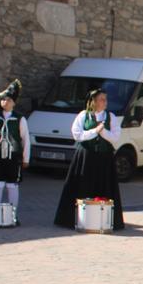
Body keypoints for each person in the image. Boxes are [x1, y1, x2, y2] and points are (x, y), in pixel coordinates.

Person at [53, 88, 125, 230]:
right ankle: (77, 219)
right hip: (86, 157)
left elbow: (115, 137)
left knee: (105, 187)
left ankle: (104, 220)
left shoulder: (111, 117)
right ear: (94, 102)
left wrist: (103, 131)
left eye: (105, 99)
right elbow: (77, 135)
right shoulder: (83, 115)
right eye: (102, 99)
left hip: (104, 158)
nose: (105, 102)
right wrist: (94, 131)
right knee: (81, 186)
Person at [0, 79, 30, 222]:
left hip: (13, 156)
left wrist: (26, 158)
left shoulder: (20, 119)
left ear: (14, 103)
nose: (5, 102)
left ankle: (12, 216)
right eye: (3, 99)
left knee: (12, 185)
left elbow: (25, 139)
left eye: (9, 100)